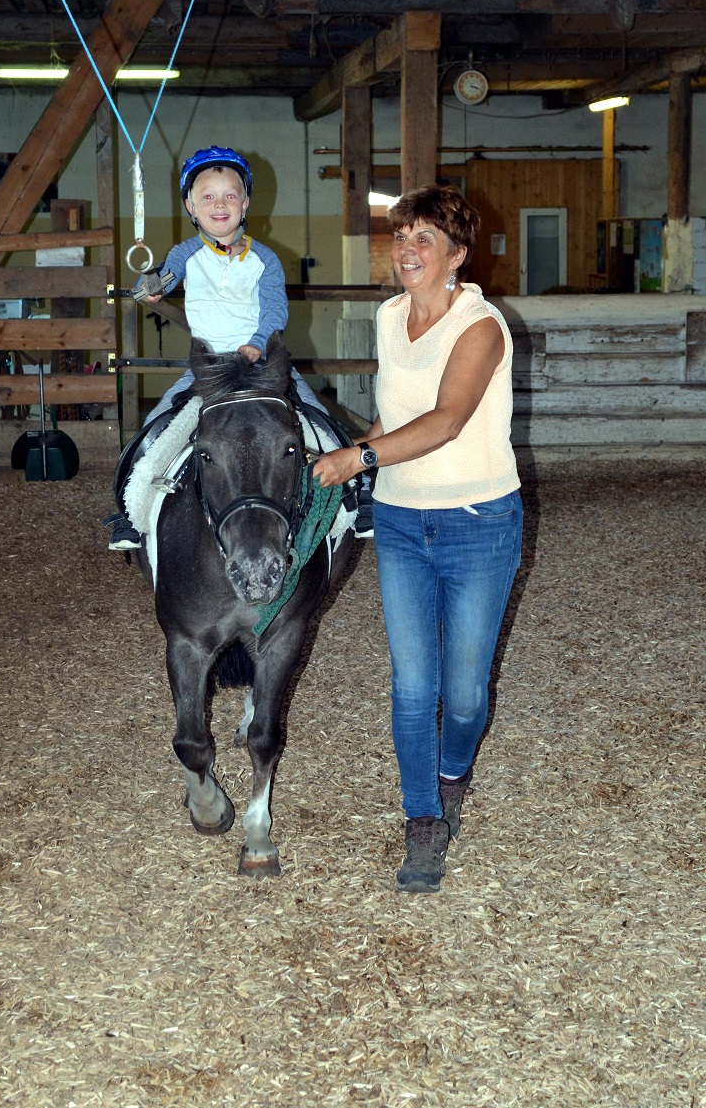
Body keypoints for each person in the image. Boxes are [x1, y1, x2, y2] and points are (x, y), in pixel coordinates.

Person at [312, 184, 522, 894]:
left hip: (479, 523)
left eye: (423, 238)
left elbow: (447, 421)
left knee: (462, 697)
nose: (405, 249)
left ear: (456, 255)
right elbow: (394, 416)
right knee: (412, 687)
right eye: (400, 235)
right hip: (401, 524)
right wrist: (347, 452)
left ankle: (453, 772)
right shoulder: (387, 316)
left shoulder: (481, 325)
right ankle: (423, 821)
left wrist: (358, 459)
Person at [107, 146, 329, 551]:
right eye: (207, 196)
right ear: (191, 206)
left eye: (230, 195)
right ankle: (129, 513)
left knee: (321, 421)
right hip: (208, 368)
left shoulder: (266, 260)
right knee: (153, 430)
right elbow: (164, 278)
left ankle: (360, 494)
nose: (219, 204)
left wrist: (259, 344)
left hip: (263, 364)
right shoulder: (185, 254)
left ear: (244, 203)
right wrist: (150, 286)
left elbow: (275, 309)